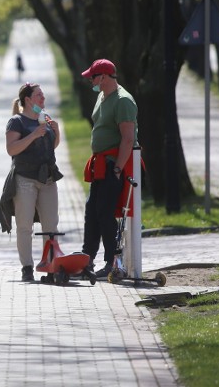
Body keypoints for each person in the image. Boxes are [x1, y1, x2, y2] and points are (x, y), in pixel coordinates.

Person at [80, 59, 138, 278]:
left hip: (114, 164)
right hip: (101, 163)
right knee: (91, 210)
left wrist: (117, 170)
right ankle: (87, 259)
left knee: (105, 213)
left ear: (103, 77)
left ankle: (112, 261)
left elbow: (127, 138)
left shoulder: (123, 101)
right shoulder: (101, 96)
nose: (91, 81)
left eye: (93, 77)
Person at [5, 82, 62, 282]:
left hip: (47, 178)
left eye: (43, 96)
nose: (43, 99)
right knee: (24, 225)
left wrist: (56, 132)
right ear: (28, 100)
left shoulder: (45, 118)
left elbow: (50, 147)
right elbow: (12, 149)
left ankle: (50, 264)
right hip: (25, 179)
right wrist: (34, 134)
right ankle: (27, 267)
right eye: (39, 96)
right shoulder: (16, 122)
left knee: (51, 225)